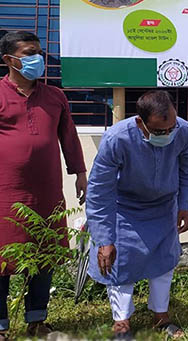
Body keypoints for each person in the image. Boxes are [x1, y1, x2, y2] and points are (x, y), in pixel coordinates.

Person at [86, 91, 188, 339]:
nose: (167, 135)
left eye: (171, 128)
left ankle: (161, 317)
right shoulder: (117, 138)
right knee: (120, 265)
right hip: (125, 209)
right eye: (159, 131)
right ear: (140, 122)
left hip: (164, 207)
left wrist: (185, 205)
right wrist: (104, 239)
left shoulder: (184, 130)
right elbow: (99, 191)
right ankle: (121, 323)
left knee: (164, 263)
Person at [0, 31, 87, 339]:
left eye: (39, 51)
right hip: (5, 192)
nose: (38, 58)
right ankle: (1, 325)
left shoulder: (55, 96)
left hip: (47, 191)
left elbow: (69, 137)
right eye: (29, 53)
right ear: (9, 60)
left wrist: (79, 172)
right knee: (2, 258)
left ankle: (37, 319)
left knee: (44, 254)